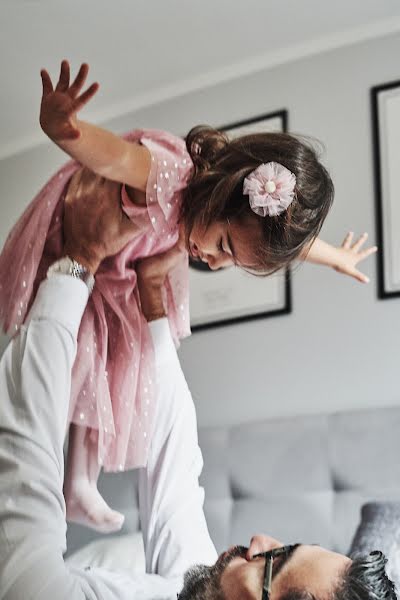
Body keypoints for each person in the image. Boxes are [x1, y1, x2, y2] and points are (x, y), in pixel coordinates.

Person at [0, 59, 377, 534]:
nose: (214, 262)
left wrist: (335, 257)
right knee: (79, 358)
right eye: (222, 244)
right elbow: (113, 156)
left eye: (231, 261)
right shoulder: (170, 173)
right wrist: (65, 129)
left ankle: (78, 481)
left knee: (122, 361)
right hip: (79, 246)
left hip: (116, 273)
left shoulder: (210, 221)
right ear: (221, 194)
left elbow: (289, 241)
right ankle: (48, 465)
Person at [0, 175, 394, 600]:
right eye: (284, 547)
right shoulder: (196, 588)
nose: (260, 541)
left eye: (273, 567)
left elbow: (26, 552)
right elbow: (175, 457)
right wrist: (152, 303)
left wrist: (78, 261)